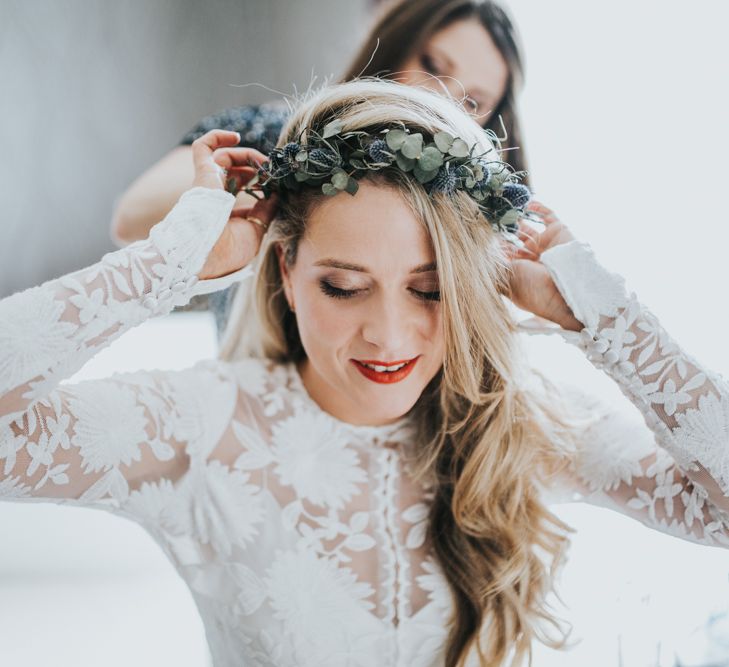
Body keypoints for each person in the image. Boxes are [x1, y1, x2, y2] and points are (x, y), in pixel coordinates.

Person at [1, 79, 727, 667]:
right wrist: (166, 266)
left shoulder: (529, 420)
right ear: (284, 271)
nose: (387, 333)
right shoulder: (197, 426)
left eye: (430, 287)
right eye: (343, 287)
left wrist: (603, 318)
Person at [110, 0, 527, 337]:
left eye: (473, 101)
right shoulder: (275, 134)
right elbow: (132, 217)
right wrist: (285, 174)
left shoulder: (479, 202)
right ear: (393, 45)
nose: (442, 100)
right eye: (433, 67)